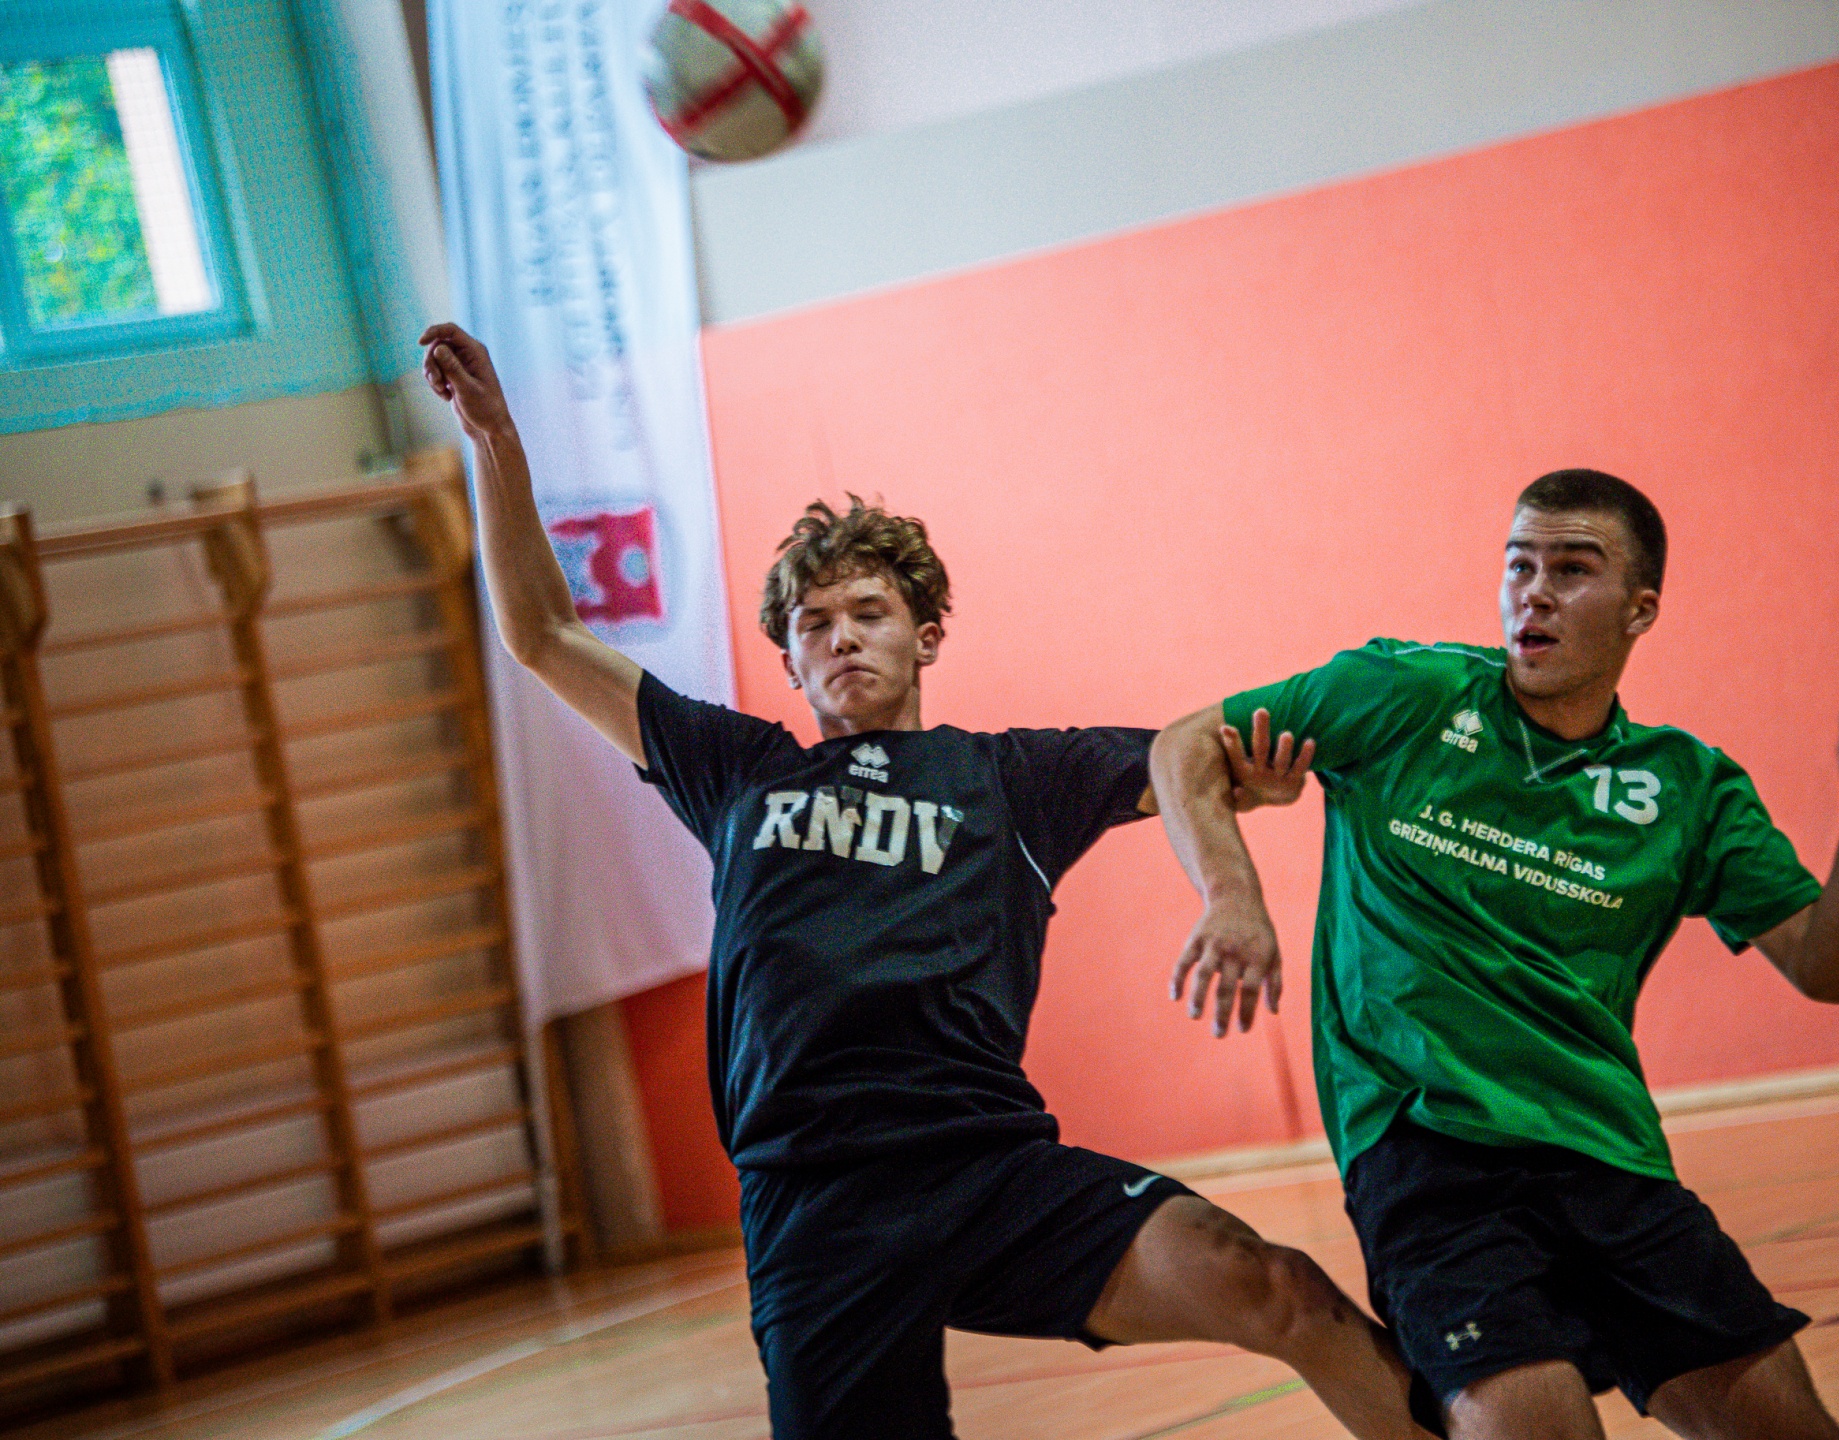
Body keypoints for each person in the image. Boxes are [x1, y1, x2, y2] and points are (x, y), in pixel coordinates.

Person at [418, 322, 1435, 1440]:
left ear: (926, 636)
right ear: (789, 659)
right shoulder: (738, 772)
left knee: (1274, 1286)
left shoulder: (1012, 778)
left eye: (870, 613)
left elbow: (1188, 753)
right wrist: (497, 440)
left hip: (987, 1169)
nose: (843, 639)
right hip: (816, 1204)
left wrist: (1251, 814)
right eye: (814, 625)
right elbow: (542, 633)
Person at [1149, 468, 1839, 1440]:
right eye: (1519, 565)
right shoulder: (1406, 694)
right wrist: (1232, 896)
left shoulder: (1686, 787)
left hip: (1608, 1155)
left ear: (1639, 609)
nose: (1534, 593)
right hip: (1428, 1155)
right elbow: (1185, 743)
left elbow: (1826, 966)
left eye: (1571, 570)